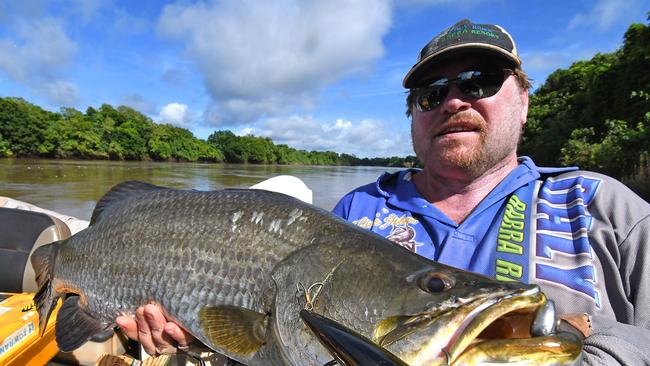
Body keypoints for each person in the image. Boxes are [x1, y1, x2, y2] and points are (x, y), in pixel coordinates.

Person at [117, 19, 650, 364]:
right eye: (431, 93)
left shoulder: (607, 208)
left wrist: (586, 345)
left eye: (480, 81)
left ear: (525, 99)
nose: (454, 101)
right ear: (413, 114)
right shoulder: (355, 210)